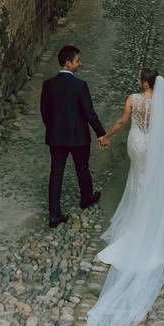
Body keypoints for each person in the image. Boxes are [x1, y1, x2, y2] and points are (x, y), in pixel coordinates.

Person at [87, 68, 164, 326]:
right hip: (152, 146)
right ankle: (148, 220)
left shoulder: (132, 99)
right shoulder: (160, 102)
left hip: (136, 143)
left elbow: (122, 122)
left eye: (140, 78)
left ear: (144, 82)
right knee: (147, 181)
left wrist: (106, 136)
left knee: (137, 179)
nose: (138, 81)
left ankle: (136, 221)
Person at [40, 45, 109, 229]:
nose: (80, 63)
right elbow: (89, 113)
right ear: (68, 63)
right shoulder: (80, 86)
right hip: (79, 137)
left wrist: (53, 129)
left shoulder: (48, 85)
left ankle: (54, 215)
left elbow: (45, 112)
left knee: (56, 174)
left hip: (57, 138)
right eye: (78, 61)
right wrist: (101, 133)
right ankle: (86, 198)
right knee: (82, 168)